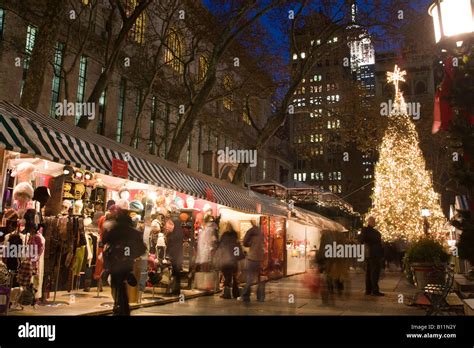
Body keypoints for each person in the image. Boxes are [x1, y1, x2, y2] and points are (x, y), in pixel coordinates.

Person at [103, 208, 146, 315]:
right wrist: (132, 255)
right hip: (127, 263)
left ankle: (118, 306)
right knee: (122, 285)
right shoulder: (134, 232)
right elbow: (142, 248)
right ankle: (123, 307)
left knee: (117, 285)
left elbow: (105, 240)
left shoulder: (115, 230)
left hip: (115, 263)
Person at [215, 222, 243, 299]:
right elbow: (237, 251)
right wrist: (237, 259)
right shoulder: (235, 239)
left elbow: (220, 249)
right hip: (233, 261)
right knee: (233, 277)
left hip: (225, 261)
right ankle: (235, 293)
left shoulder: (223, 238)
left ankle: (227, 294)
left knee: (227, 277)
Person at [359, 216, 384, 296]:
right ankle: (374, 290)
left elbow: (361, 241)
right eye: (373, 221)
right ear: (370, 222)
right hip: (374, 255)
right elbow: (377, 244)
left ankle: (368, 290)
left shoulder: (365, 231)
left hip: (368, 255)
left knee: (369, 272)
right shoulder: (374, 233)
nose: (375, 222)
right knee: (374, 273)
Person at [240, 220, 264, 302]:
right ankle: (260, 296)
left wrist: (250, 244)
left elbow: (245, 242)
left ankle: (245, 295)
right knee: (259, 278)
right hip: (260, 258)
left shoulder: (250, 232)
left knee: (249, 278)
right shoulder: (261, 233)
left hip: (252, 257)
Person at [165, 216, 184, 295]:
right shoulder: (176, 233)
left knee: (175, 273)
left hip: (175, 257)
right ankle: (175, 290)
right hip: (176, 256)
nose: (169, 226)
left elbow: (172, 246)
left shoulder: (175, 235)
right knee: (175, 273)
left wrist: (169, 255)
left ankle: (174, 289)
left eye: (171, 224)